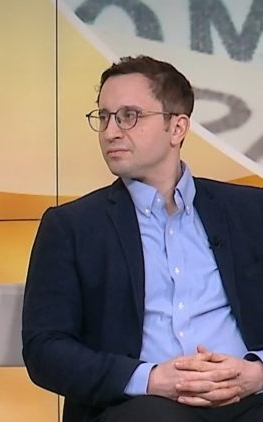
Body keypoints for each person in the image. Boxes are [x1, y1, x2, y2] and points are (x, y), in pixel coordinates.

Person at [22, 55, 263, 422]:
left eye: (129, 116)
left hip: (248, 398)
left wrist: (256, 372)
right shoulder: (72, 227)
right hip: (143, 406)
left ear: (177, 128)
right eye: (104, 117)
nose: (111, 132)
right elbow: (45, 349)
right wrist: (149, 379)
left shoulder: (251, 211)